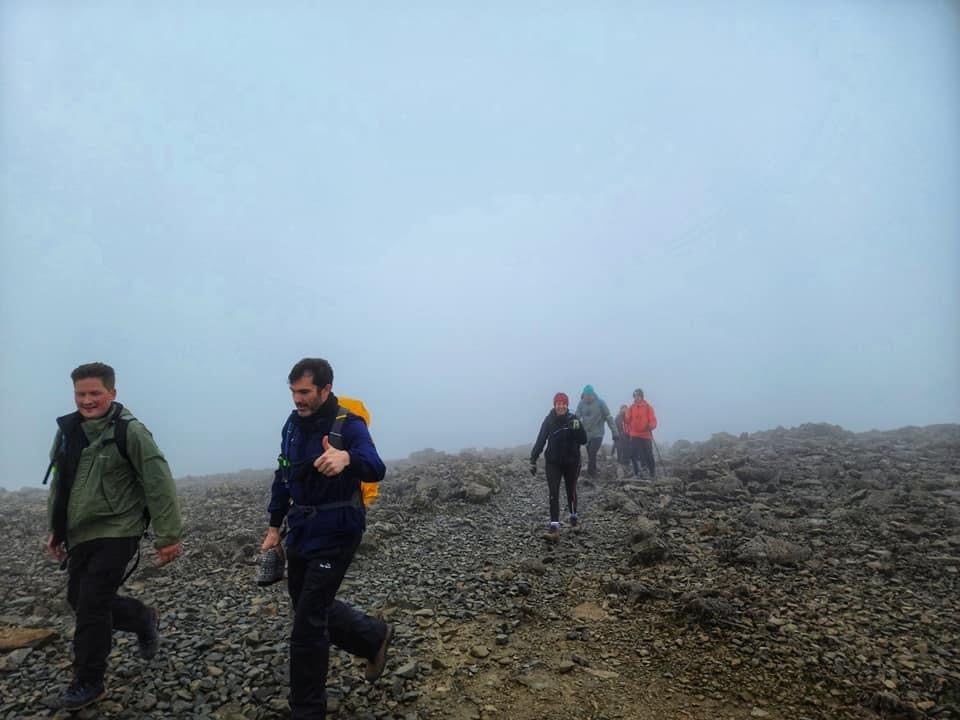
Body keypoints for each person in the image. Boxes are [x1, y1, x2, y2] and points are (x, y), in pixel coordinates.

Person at [45, 362, 183, 710]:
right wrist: (56, 529)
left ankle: (89, 681)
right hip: (81, 532)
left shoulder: (130, 431)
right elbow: (61, 484)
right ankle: (143, 618)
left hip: (120, 529)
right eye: (80, 394)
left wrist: (168, 535)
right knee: (79, 599)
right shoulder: (67, 432)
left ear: (112, 393)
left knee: (92, 603)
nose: (87, 400)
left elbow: (158, 481)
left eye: (95, 393)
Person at [261, 358, 392, 719]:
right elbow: (283, 474)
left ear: (325, 389)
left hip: (339, 529)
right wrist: (273, 526)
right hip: (302, 530)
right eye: (294, 392)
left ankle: (308, 711)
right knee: (306, 605)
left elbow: (376, 466)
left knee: (307, 625)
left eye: (304, 392)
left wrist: (347, 457)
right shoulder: (292, 425)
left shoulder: (349, 424)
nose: (297, 399)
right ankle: (373, 636)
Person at [529, 392, 588, 538]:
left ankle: (573, 519)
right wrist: (533, 459)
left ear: (567, 405)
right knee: (553, 492)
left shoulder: (573, 419)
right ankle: (554, 526)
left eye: (563, 403)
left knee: (571, 490)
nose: (560, 406)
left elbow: (583, 440)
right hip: (553, 462)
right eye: (558, 403)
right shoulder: (549, 420)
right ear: (554, 405)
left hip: (572, 462)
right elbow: (541, 440)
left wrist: (578, 428)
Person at [575, 385, 618, 478]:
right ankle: (593, 472)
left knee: (592, 452)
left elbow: (609, 417)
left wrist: (615, 432)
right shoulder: (581, 404)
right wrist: (573, 431)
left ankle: (591, 474)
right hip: (586, 435)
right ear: (583, 395)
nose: (588, 397)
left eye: (589, 395)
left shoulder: (600, 403)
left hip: (598, 434)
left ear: (593, 394)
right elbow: (577, 417)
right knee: (590, 454)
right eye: (586, 395)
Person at [624, 388, 658, 478]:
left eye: (638, 396)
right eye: (635, 396)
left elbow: (653, 420)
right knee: (633, 454)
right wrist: (627, 419)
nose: (636, 397)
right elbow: (627, 421)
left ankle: (652, 472)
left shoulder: (648, 407)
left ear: (642, 396)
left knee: (648, 454)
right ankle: (637, 472)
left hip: (646, 435)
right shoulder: (631, 408)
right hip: (634, 434)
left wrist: (651, 425)